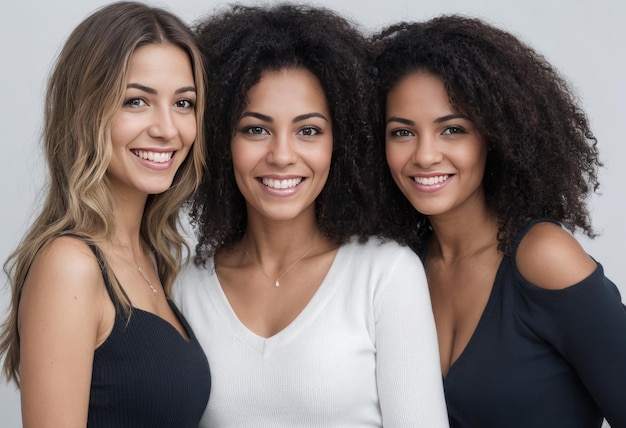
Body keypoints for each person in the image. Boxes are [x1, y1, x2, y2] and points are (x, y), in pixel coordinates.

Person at [173, 4, 448, 427]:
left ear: (341, 143)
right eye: (255, 129)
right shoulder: (185, 286)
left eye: (308, 131)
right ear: (220, 140)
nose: (282, 155)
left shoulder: (384, 274)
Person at [372, 15, 626, 428]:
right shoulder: (401, 268)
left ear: (494, 137)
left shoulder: (543, 258)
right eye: (402, 133)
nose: (424, 155)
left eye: (452, 130)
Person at [0, 2, 210, 426]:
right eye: (137, 101)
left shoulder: (156, 258)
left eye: (183, 103)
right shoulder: (71, 265)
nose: (168, 128)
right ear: (87, 111)